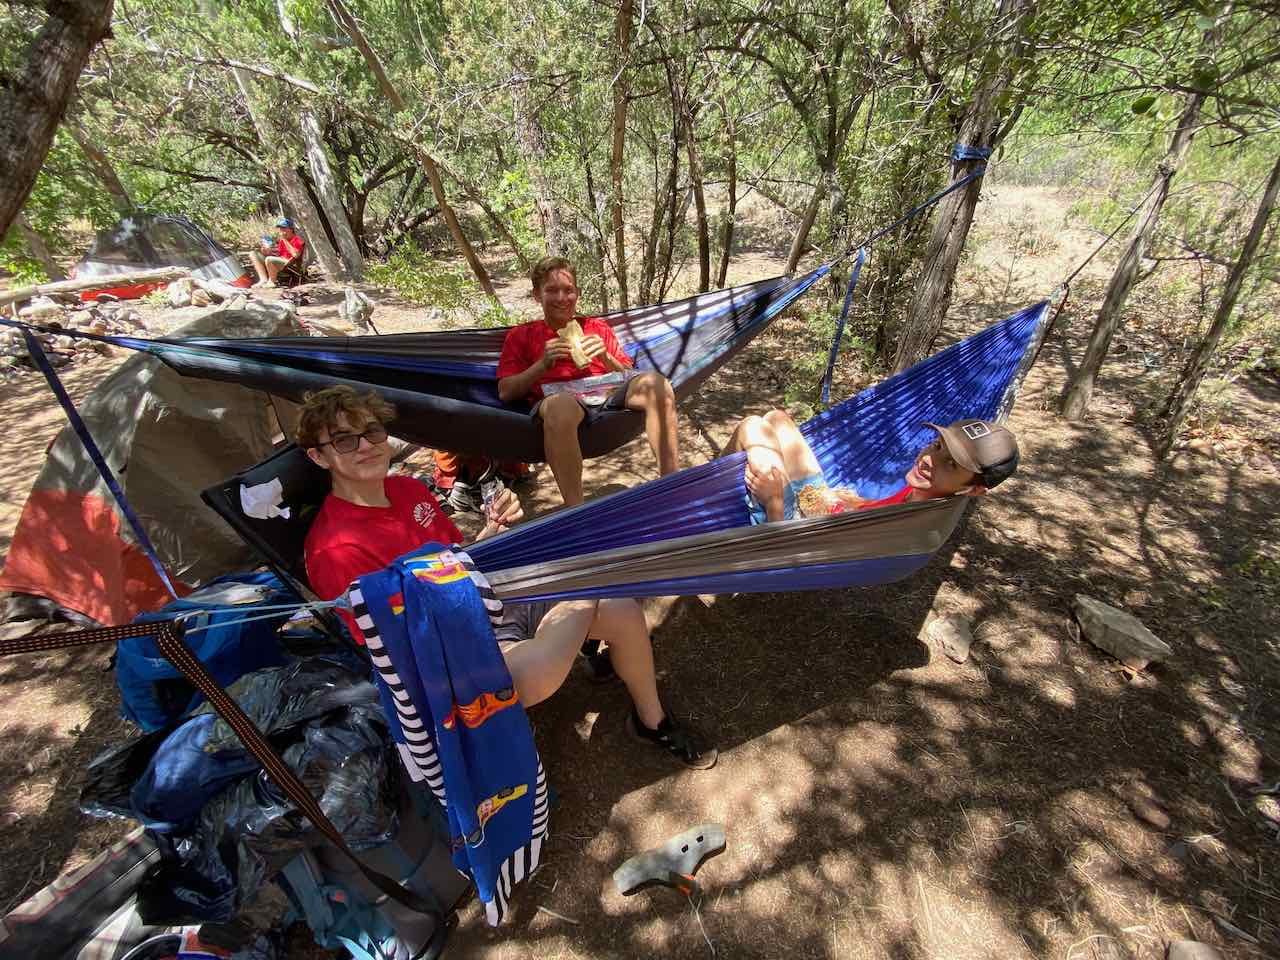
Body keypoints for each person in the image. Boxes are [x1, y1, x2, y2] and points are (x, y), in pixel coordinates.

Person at [299, 385, 716, 769]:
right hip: (452, 654)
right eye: (344, 440)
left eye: (371, 432)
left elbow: (454, 558)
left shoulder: (408, 490)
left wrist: (489, 532)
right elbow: (391, 645)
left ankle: (652, 720)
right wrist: (583, 582)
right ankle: (584, 605)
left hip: (490, 600)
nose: (366, 447)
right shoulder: (334, 548)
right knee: (540, 666)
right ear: (319, 456)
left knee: (622, 610)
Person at [497, 257, 680, 507]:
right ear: (536, 296)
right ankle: (577, 512)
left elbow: (629, 373)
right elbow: (505, 392)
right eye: (552, 290)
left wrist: (605, 357)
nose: (562, 298)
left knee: (657, 385)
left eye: (568, 290)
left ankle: (673, 489)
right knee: (561, 407)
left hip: (606, 394)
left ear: (577, 294)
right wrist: (541, 365)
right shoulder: (521, 335)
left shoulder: (596, 327)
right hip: (559, 403)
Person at [721, 409, 1019, 524]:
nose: (928, 460)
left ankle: (705, 501)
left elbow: (785, 556)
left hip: (788, 526)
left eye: (951, 464)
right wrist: (846, 502)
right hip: (822, 506)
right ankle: (704, 488)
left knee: (753, 428)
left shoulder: (913, 526)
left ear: (975, 489)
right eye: (937, 446)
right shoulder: (928, 493)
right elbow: (874, 511)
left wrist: (774, 501)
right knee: (776, 419)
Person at [250, 218, 305, 288]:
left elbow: (296, 255)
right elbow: (279, 254)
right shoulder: (281, 241)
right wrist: (267, 252)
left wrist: (284, 239)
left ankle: (272, 282)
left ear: (291, 229)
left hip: (290, 264)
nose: (281, 230)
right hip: (281, 260)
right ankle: (263, 279)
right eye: (280, 228)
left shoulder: (297, 240)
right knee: (254, 254)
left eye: (284, 228)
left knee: (269, 259)